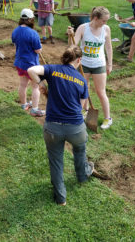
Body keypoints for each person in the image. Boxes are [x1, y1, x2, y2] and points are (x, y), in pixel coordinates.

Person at [27, 45, 94, 206]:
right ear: (79, 60)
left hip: (53, 128)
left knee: (56, 161)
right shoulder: (82, 81)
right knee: (80, 150)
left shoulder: (52, 70)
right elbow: (81, 106)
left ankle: (61, 199)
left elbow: (31, 70)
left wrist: (41, 84)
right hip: (76, 128)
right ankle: (82, 175)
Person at [68, 6, 113, 130]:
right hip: (83, 65)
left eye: (106, 21)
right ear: (95, 18)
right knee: (83, 89)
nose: (105, 23)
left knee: (101, 91)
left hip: (99, 64)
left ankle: (107, 118)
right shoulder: (83, 28)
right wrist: (70, 35)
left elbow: (108, 48)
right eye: (103, 20)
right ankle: (84, 111)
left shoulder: (106, 29)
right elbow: (72, 46)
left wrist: (110, 64)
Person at [12, 8, 45, 117]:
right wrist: (40, 48)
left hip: (20, 63)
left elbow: (15, 44)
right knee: (35, 87)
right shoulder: (33, 33)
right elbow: (37, 50)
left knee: (23, 85)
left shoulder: (15, 31)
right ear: (31, 19)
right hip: (32, 65)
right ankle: (34, 109)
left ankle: (24, 104)